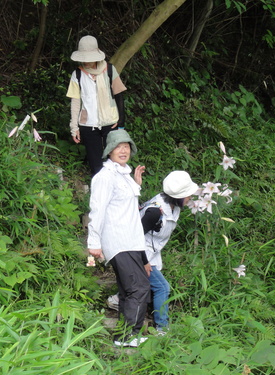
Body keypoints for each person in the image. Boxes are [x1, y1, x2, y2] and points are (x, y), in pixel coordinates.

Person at [107, 171, 198, 335]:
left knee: (148, 286)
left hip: (150, 252)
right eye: (188, 195)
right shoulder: (155, 212)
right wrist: (144, 261)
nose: (190, 197)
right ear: (178, 196)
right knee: (162, 287)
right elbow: (134, 236)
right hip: (136, 252)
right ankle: (162, 328)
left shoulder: (173, 206)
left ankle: (117, 299)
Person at [87, 129, 150, 347]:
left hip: (131, 241)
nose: (123, 150)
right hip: (119, 241)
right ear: (109, 150)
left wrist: (136, 184)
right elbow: (97, 209)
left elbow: (125, 204)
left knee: (128, 290)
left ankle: (125, 335)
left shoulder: (122, 175)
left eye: (126, 146)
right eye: (118, 146)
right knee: (139, 288)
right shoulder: (104, 177)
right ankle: (128, 336)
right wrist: (93, 243)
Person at [66, 35, 127, 176]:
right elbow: (75, 103)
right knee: (96, 165)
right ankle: (99, 195)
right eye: (84, 58)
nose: (86, 62)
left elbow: (119, 96)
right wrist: (74, 127)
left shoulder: (109, 70)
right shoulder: (77, 75)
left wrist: (121, 122)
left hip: (110, 122)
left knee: (116, 162)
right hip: (88, 125)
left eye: (89, 58)